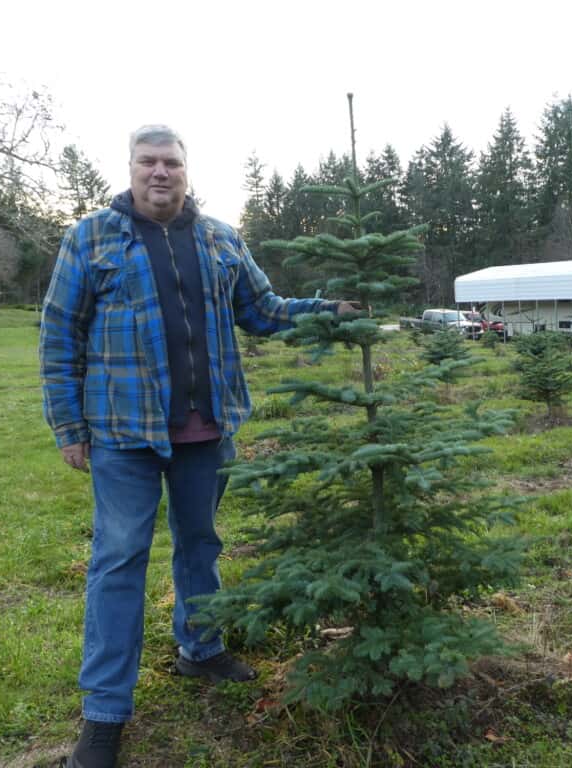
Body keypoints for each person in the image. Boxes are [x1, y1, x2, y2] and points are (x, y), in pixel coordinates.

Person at [40, 124, 354, 768]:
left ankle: (200, 650)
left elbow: (263, 310)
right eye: (148, 162)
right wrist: (69, 428)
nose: (161, 173)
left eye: (171, 163)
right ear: (130, 168)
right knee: (119, 561)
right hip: (123, 435)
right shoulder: (91, 238)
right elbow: (58, 336)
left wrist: (330, 311)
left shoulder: (220, 238)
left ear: (186, 170)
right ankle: (104, 714)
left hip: (205, 432)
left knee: (202, 544)